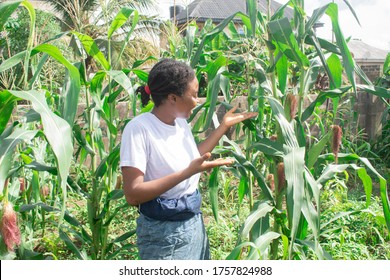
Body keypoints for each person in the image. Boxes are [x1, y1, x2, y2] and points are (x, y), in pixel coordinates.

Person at [120, 58, 257, 260]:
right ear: (173, 98)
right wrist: (188, 173)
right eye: (194, 94)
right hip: (164, 233)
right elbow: (133, 194)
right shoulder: (139, 129)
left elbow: (193, 157)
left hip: (193, 223)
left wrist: (223, 127)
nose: (198, 100)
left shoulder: (180, 122)